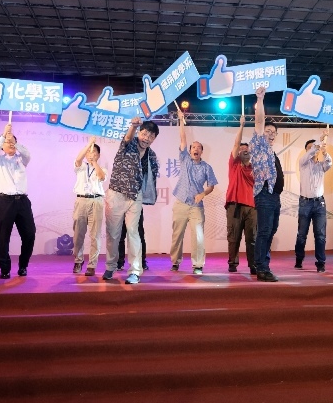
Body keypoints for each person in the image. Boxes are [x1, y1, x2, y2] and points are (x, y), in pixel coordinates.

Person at [102, 117, 159, 285]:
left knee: (134, 233)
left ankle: (135, 271)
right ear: (139, 133)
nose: (146, 138)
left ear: (154, 139)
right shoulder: (129, 143)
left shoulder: (152, 156)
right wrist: (133, 126)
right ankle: (111, 266)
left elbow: (151, 177)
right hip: (117, 194)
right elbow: (127, 137)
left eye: (151, 136)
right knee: (113, 234)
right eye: (144, 133)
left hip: (135, 197)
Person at [170, 116, 218, 274]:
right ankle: (175, 262)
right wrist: (181, 122)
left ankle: (198, 265)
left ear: (202, 151)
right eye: (193, 147)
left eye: (198, 148)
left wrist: (202, 194)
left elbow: (211, 186)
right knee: (177, 235)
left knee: (198, 236)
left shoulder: (207, 167)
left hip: (196, 206)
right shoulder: (184, 159)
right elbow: (182, 138)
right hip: (181, 203)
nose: (195, 149)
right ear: (189, 151)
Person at [0, 123, 36, 279]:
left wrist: (14, 141)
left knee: (29, 234)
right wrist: (4, 135)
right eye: (7, 143)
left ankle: (23, 266)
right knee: (4, 236)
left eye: (13, 142)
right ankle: (4, 268)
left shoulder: (22, 159)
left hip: (22, 201)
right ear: (2, 146)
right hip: (4, 201)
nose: (11, 144)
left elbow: (28, 154)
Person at [249, 87, 283, 282]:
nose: (271, 134)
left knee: (271, 229)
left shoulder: (271, 152)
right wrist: (260, 99)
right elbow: (260, 120)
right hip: (263, 194)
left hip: (274, 196)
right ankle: (262, 268)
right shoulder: (258, 144)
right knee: (264, 231)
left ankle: (260, 263)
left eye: (274, 133)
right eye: (268, 131)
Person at [294, 132, 333, 272]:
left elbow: (330, 162)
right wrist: (319, 141)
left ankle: (321, 262)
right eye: (310, 148)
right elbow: (311, 151)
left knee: (320, 235)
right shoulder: (303, 163)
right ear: (306, 151)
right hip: (305, 203)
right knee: (301, 234)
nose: (313, 150)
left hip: (320, 204)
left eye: (314, 148)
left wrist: (324, 151)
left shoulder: (321, 165)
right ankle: (299, 258)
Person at [225, 114, 257, 275]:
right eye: (241, 150)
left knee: (252, 238)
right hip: (234, 204)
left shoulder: (255, 168)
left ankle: (253, 265)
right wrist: (242, 126)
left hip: (252, 206)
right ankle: (232, 263)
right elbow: (236, 143)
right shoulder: (234, 164)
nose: (243, 151)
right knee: (233, 237)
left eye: (247, 150)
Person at [72, 136, 106, 276]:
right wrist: (89, 144)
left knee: (95, 235)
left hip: (96, 201)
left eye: (94, 153)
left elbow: (101, 177)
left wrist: (94, 162)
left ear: (98, 155)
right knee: (78, 234)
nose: (91, 155)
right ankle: (78, 260)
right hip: (81, 201)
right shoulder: (81, 167)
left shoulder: (102, 168)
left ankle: (92, 264)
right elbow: (78, 159)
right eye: (89, 153)